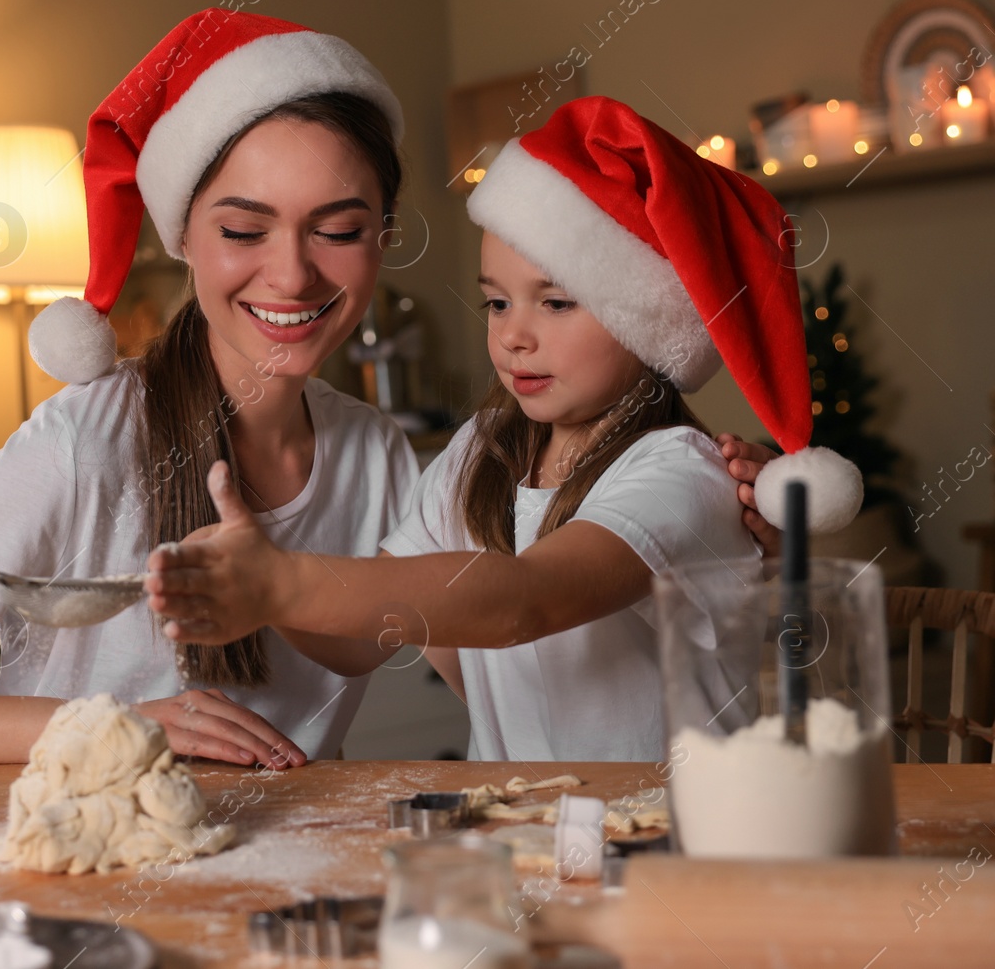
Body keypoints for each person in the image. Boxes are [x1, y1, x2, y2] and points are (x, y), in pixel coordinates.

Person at [0, 15, 777, 767]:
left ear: (382, 238)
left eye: (336, 229)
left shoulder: (382, 456)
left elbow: (481, 614)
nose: (291, 276)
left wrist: (742, 501)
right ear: (186, 237)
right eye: (244, 229)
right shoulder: (85, 442)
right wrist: (114, 724)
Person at [145, 95, 858, 763]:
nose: (515, 336)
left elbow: (525, 600)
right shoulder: (481, 450)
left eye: (555, 303)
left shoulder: (686, 473)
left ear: (648, 323)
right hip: (529, 835)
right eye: (496, 304)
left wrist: (281, 583)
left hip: (671, 846)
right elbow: (370, 637)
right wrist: (252, 579)